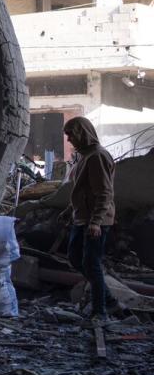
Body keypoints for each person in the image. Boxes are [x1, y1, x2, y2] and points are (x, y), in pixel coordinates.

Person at [59, 117, 115, 321]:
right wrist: (69, 210)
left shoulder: (97, 156)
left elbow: (104, 193)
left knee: (92, 264)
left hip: (94, 221)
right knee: (75, 258)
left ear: (82, 132)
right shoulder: (85, 156)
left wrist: (96, 221)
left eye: (71, 134)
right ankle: (108, 299)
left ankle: (100, 311)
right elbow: (83, 191)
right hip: (82, 218)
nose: (69, 139)